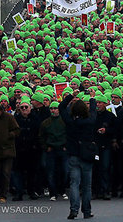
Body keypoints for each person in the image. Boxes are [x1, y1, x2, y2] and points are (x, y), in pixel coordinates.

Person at [59, 92, 97, 220]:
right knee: (87, 186)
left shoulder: (70, 121)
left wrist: (71, 96)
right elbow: (93, 110)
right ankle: (86, 211)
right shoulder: (90, 121)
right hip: (87, 155)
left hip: (74, 154)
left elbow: (61, 108)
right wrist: (92, 98)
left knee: (74, 184)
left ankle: (73, 210)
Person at [39, 100, 68, 201]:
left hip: (62, 149)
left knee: (64, 171)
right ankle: (53, 193)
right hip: (51, 150)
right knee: (50, 172)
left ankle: (63, 190)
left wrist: (66, 146)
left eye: (55, 108)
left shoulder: (64, 121)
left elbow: (69, 134)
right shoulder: (45, 123)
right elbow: (41, 137)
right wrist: (46, 147)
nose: (53, 110)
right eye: (51, 108)